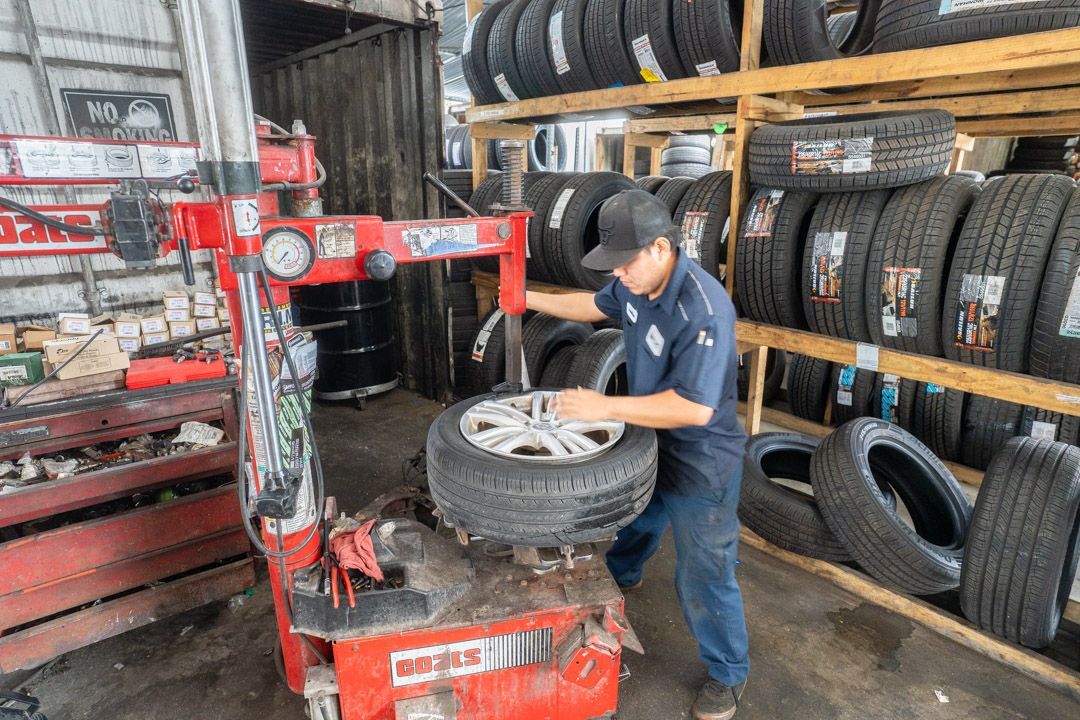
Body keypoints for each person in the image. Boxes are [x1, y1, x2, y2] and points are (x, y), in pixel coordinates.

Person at [526, 190, 749, 720]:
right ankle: (620, 579)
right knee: (638, 520)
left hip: (703, 458)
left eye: (625, 264)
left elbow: (694, 409)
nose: (619, 275)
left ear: (661, 248)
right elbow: (591, 305)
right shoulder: (634, 282)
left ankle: (728, 673)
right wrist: (527, 297)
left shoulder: (703, 308)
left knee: (703, 573)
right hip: (650, 441)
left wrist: (601, 405)